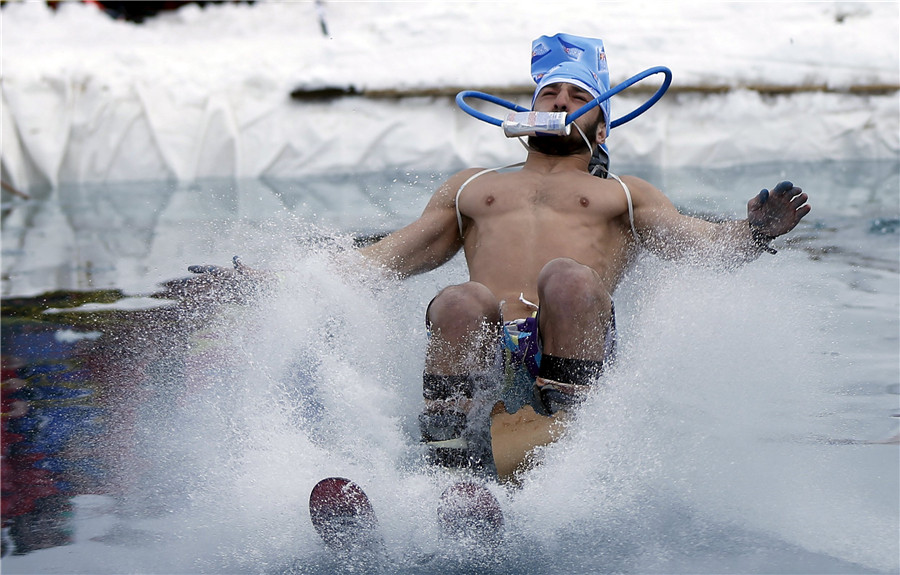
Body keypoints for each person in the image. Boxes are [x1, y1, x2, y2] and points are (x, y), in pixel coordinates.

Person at [189, 34, 810, 479]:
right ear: (528, 110)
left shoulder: (621, 192)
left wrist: (751, 234)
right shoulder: (473, 187)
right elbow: (387, 258)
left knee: (566, 278)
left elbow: (692, 243)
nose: (561, 100)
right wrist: (283, 284)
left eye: (576, 95)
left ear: (602, 124)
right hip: (484, 353)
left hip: (575, 349)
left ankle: (561, 438)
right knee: (462, 298)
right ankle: (449, 465)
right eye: (551, 91)